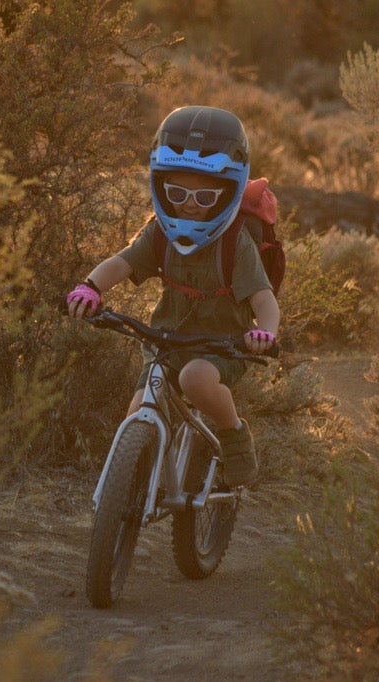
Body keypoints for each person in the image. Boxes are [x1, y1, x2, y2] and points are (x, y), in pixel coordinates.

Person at [66, 105, 280, 488]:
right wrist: (90, 287)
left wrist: (264, 332)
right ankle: (133, 495)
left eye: (204, 197)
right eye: (176, 192)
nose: (188, 204)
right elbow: (122, 263)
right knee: (136, 413)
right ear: (161, 186)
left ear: (227, 192)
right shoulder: (159, 233)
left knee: (196, 378)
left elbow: (263, 299)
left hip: (221, 347)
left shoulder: (235, 242)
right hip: (165, 341)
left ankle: (233, 435)